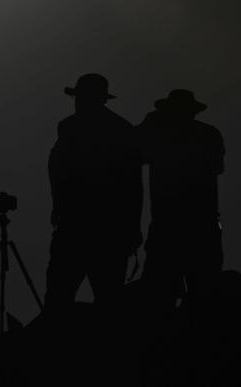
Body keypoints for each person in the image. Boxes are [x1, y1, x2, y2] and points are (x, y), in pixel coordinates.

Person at [44, 73, 142, 308]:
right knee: (105, 298)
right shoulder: (120, 130)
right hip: (101, 228)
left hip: (87, 227)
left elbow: (132, 183)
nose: (78, 103)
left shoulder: (70, 128)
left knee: (63, 296)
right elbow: (134, 184)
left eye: (81, 98)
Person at [137, 89, 225, 310]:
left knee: (159, 297)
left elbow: (132, 151)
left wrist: (150, 125)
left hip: (170, 228)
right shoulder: (209, 134)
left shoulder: (160, 137)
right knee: (204, 294)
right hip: (201, 226)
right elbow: (217, 167)